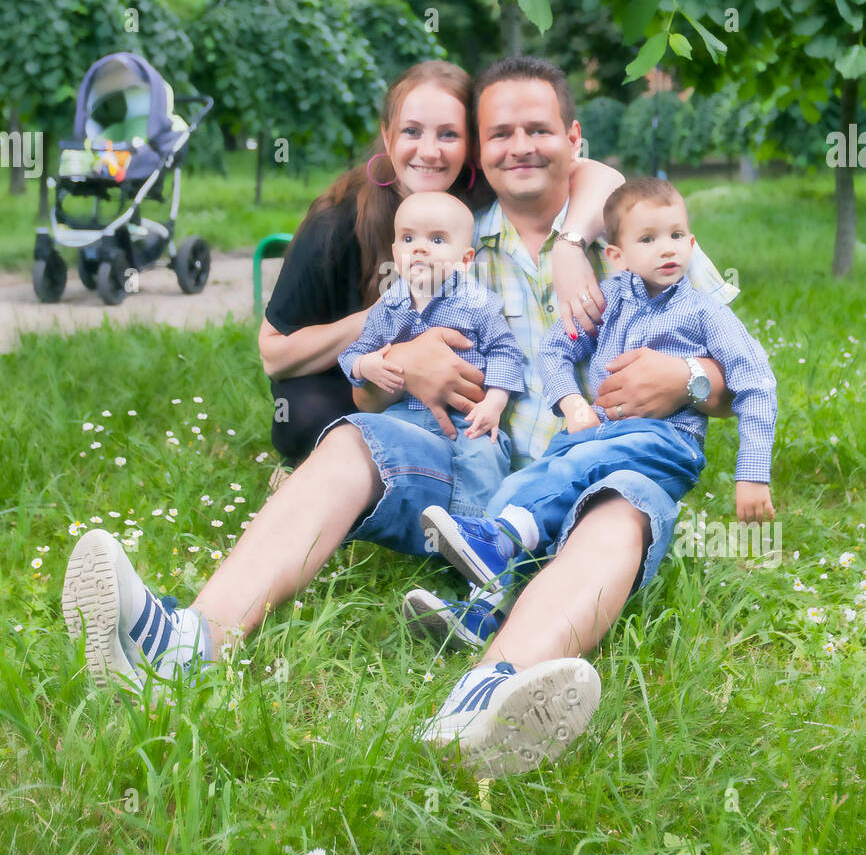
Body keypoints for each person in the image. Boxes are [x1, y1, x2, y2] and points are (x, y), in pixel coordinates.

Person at [61, 56, 731, 778]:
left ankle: (487, 699)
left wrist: (687, 379)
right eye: (499, 133)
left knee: (623, 505)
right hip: (476, 486)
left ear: (576, 138)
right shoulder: (451, 239)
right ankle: (188, 645)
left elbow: (735, 380)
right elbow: (370, 377)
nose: (520, 146)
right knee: (354, 440)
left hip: (597, 475)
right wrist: (400, 364)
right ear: (481, 151)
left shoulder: (639, 233)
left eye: (539, 129)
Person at [419, 176, 777, 645]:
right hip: (596, 435)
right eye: (648, 240)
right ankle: (482, 610)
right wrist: (572, 403)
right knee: (524, 482)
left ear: (691, 242)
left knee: (576, 465)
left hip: (665, 442)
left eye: (675, 236)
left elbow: (758, 383)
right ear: (617, 256)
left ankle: (501, 539)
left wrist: (752, 473)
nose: (666, 249)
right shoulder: (610, 301)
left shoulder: (705, 312)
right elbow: (553, 350)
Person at [259, 60, 480, 462]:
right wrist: (379, 316)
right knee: (308, 419)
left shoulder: (480, 205)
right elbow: (273, 355)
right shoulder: (337, 220)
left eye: (449, 135)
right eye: (411, 131)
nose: (429, 152)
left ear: (471, 144)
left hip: (445, 372)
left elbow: (588, 175)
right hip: (349, 377)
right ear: (387, 135)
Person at [339, 191, 524, 517]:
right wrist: (366, 365)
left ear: (465, 260)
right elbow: (354, 352)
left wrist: (494, 404)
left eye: (437, 239)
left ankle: (471, 529)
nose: (420, 247)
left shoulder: (477, 303)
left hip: (465, 416)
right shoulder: (388, 308)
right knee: (360, 436)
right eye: (408, 238)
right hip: (406, 413)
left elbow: (505, 352)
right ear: (396, 253)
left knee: (485, 453)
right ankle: (363, 515)